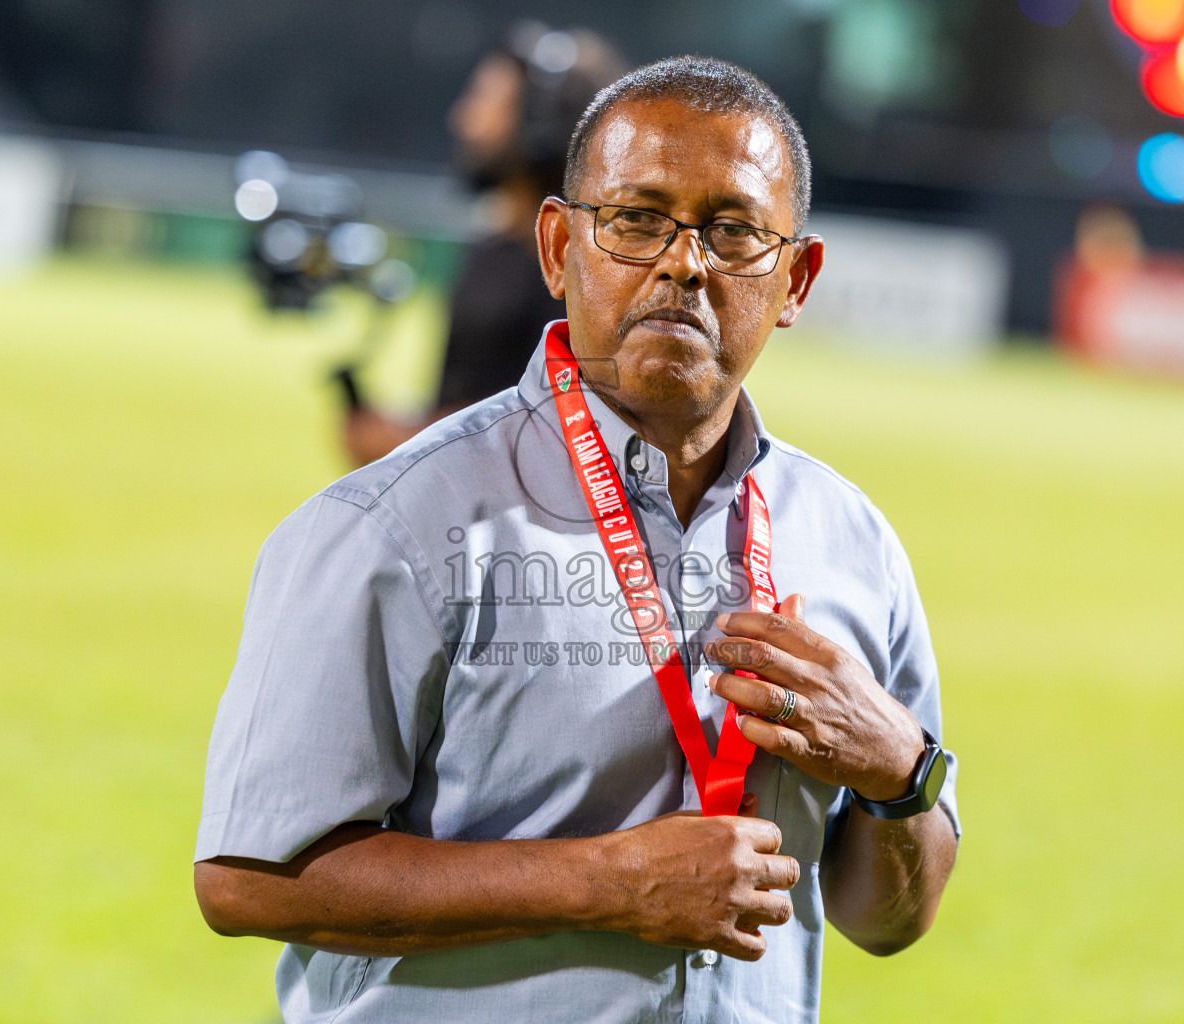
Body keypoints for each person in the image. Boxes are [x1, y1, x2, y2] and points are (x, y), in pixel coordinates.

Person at [195, 56, 960, 1023]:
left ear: (796, 277)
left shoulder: (852, 543)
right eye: (637, 220)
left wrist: (902, 773)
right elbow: (249, 878)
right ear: (558, 246)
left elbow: (891, 918)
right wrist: (606, 881)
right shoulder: (392, 527)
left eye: (734, 232)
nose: (684, 263)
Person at [342, 25, 626, 464]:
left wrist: (404, 444)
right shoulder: (496, 247)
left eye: (486, 102)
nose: (464, 118)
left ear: (540, 126)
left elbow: (551, 425)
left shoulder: (575, 267)